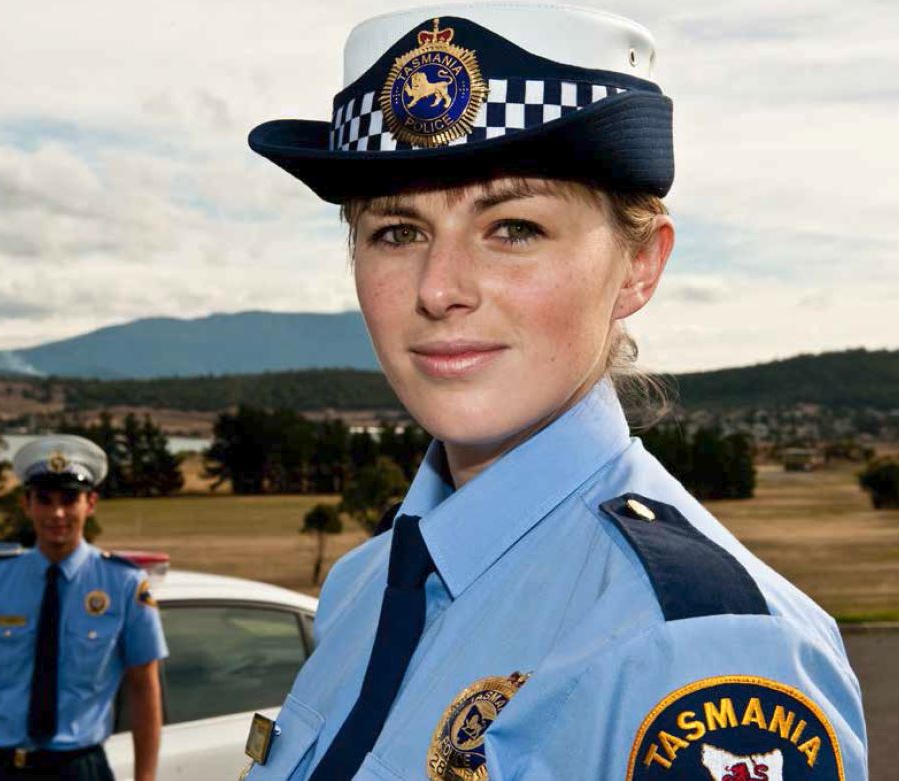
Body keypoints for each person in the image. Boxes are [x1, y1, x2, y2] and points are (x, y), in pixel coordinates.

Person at [245, 4, 869, 780]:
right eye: (397, 232)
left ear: (640, 265)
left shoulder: (691, 649)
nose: (439, 289)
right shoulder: (360, 586)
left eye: (513, 228)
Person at [0, 435, 168, 781]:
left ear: (91, 503)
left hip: (77, 768)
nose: (57, 513)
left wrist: (145, 778)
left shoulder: (124, 586)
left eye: (70, 499)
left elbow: (144, 688)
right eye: (44, 500)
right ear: (27, 504)